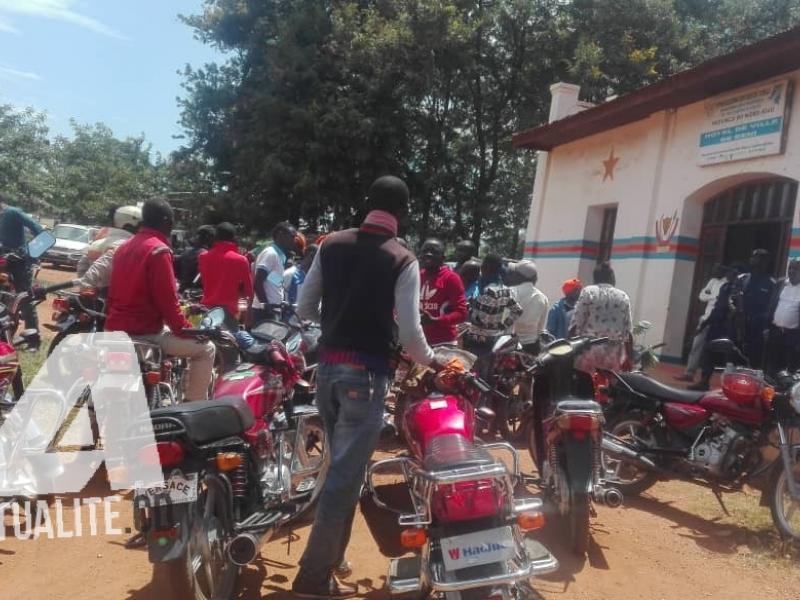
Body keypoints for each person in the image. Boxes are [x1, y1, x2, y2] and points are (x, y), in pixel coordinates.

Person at [293, 175, 443, 599]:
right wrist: (433, 361)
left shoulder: (331, 244)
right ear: (404, 213)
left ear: (367, 204)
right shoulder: (402, 259)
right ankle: (311, 578)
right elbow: (412, 337)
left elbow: (305, 307)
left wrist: (328, 335)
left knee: (343, 472)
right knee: (343, 478)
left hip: (327, 371)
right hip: (367, 377)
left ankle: (331, 560)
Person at [105, 198, 215, 401]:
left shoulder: (123, 248)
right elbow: (168, 304)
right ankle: (193, 406)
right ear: (167, 222)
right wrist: (185, 330)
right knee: (206, 349)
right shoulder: (159, 251)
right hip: (144, 334)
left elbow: (112, 294)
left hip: (114, 329)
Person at [463, 253, 523, 374]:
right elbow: (518, 310)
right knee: (488, 371)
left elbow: (480, 318)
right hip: (495, 337)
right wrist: (503, 325)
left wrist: (468, 309)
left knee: (474, 372)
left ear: (487, 267)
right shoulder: (506, 290)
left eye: (483, 265)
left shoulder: (487, 291)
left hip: (478, 339)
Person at [570, 262, 632, 375]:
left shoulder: (588, 292)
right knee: (608, 388)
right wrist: (629, 358)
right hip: (613, 355)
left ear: (595, 278)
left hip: (589, 351)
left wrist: (569, 348)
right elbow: (627, 331)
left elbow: (576, 323)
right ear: (612, 277)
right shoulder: (623, 296)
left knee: (585, 386)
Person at [0, 197, 44, 346]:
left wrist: (30, 254)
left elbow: (37, 228)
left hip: (19, 261)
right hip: (2, 261)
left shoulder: (12, 212)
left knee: (24, 298)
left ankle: (33, 339)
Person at [689, 266, 740, 391]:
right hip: (716, 325)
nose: (729, 275)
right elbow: (717, 307)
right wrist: (705, 323)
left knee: (730, 358)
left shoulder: (739, 289)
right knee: (708, 352)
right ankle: (704, 381)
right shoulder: (724, 287)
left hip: (730, 327)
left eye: (732, 273)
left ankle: (729, 388)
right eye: (729, 272)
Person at [675, 264, 728, 383]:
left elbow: (719, 300)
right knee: (696, 346)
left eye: (717, 270)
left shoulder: (726, 283)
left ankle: (715, 379)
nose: (714, 272)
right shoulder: (712, 281)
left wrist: (712, 296)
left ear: (723, 271)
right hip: (704, 318)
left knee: (713, 349)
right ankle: (689, 373)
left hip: (716, 320)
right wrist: (714, 297)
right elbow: (701, 296)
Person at [198, 222, 254, 320]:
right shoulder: (241, 260)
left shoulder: (203, 257)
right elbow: (249, 291)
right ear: (234, 238)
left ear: (216, 237)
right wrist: (248, 316)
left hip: (207, 312)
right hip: (229, 314)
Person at [418, 238, 468, 345]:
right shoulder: (416, 276)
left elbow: (461, 313)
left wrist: (435, 320)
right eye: (425, 251)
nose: (428, 254)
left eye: (434, 252)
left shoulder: (451, 278)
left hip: (443, 342)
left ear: (443, 257)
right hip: (417, 340)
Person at [737, 249, 777, 368]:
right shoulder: (744, 278)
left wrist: (765, 325)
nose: (752, 259)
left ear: (764, 261)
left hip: (758, 328)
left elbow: (772, 307)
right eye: (753, 257)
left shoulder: (771, 283)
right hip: (741, 324)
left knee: (754, 359)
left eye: (756, 257)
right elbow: (735, 298)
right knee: (737, 357)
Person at [76, 205, 141, 277]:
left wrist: (88, 285)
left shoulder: (98, 239)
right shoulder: (131, 246)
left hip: (93, 284)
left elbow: (82, 267)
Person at [252, 221, 297, 324]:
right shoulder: (271, 253)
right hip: (265, 312)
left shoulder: (278, 255)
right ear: (281, 235)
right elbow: (258, 282)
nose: (294, 241)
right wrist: (266, 305)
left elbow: (270, 280)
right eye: (292, 236)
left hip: (273, 310)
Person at [764, 259, 800, 374]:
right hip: (775, 331)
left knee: (789, 368)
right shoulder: (781, 284)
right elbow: (771, 306)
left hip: (793, 336)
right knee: (771, 364)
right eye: (790, 268)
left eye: (795, 269)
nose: (791, 271)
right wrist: (767, 327)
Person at [505, 261, 549, 352]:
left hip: (509, 347)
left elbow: (504, 322)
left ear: (519, 276)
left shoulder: (510, 293)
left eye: (514, 274)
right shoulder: (543, 298)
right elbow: (540, 329)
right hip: (532, 348)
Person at [175, 225, 215, 292]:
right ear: (208, 238)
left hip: (183, 290)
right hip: (198, 293)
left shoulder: (186, 252)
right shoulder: (206, 255)